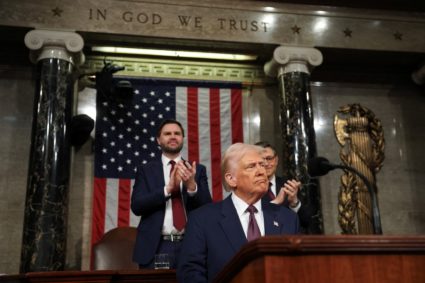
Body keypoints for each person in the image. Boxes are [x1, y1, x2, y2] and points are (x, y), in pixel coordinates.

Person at [177, 143, 299, 282]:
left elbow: (297, 270)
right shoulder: (202, 219)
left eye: (262, 165)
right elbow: (190, 273)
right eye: (251, 166)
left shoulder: (288, 218)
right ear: (231, 179)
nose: (261, 171)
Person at [131, 119, 212, 269]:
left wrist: (192, 187)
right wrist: (167, 189)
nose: (173, 136)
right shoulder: (145, 170)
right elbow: (137, 206)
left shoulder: (197, 170)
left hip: (191, 244)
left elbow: (208, 208)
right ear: (158, 140)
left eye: (177, 133)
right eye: (167, 134)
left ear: (183, 139)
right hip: (157, 246)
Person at [255, 141, 312, 230]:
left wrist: (294, 203)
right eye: (261, 160)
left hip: (290, 241)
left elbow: (306, 222)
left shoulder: (288, 184)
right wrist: (275, 203)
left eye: (269, 158)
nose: (266, 164)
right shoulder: (248, 188)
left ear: (276, 160)